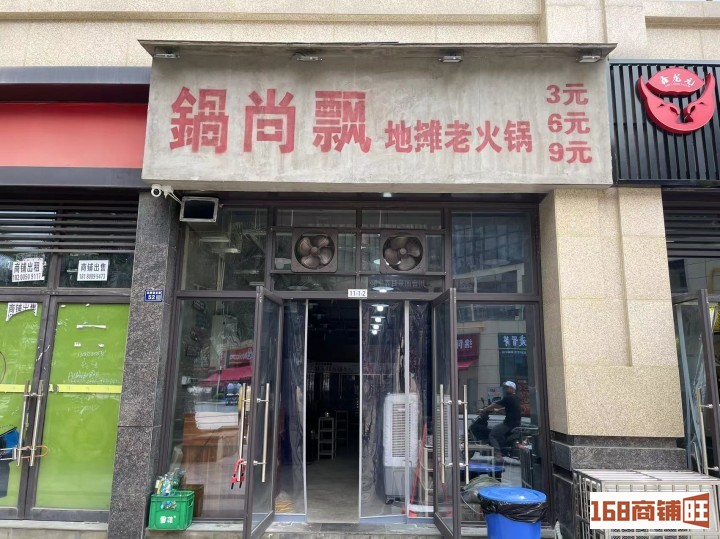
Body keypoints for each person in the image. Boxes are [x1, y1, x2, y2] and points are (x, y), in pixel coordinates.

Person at [481, 380, 521, 463]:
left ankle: (498, 455)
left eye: (507, 387)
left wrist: (485, 409)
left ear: (512, 389)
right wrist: (498, 410)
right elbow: (507, 407)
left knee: (492, 434)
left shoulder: (508, 397)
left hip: (509, 424)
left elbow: (495, 404)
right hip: (515, 423)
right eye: (505, 387)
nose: (505, 389)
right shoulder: (515, 398)